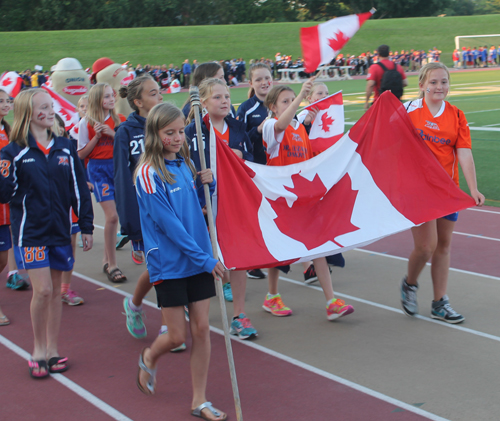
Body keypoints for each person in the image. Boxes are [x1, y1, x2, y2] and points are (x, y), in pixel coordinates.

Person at [134, 102, 227, 421]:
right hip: (172, 263)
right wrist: (204, 259)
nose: (176, 138)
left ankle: (199, 400)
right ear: (154, 134)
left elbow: (198, 209)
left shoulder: (186, 165)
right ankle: (149, 356)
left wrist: (208, 183)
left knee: (202, 329)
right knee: (176, 336)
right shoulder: (147, 173)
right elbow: (168, 224)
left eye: (180, 132)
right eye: (169, 133)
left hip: (199, 257)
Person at [0, 88, 93, 378]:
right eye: (42, 107)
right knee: (42, 290)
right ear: (28, 113)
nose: (49, 111)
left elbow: (79, 189)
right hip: (31, 233)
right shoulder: (12, 152)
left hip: (60, 231)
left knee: (54, 293)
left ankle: (53, 349)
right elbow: (5, 194)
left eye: (50, 106)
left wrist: (87, 225)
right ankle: (38, 349)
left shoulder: (65, 147)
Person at [261, 80, 354, 321]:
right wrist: (302, 96)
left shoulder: (301, 129)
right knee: (280, 252)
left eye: (293, 99)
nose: (292, 103)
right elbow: (281, 124)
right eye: (286, 101)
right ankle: (272, 296)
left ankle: (331, 301)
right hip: (281, 200)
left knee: (319, 246)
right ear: (272, 106)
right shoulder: (271, 127)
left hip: (303, 199)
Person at [401, 62, 484, 324]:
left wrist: (473, 188)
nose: (440, 87)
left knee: (443, 247)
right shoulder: (408, 110)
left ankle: (440, 302)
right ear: (422, 85)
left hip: (446, 191)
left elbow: (464, 152)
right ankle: (410, 284)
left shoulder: (457, 115)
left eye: (444, 82)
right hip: (417, 190)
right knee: (425, 247)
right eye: (434, 82)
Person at [114, 76, 186, 352]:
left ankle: (137, 304)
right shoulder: (126, 132)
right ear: (138, 101)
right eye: (153, 93)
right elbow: (123, 178)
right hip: (146, 211)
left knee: (166, 262)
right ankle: (167, 320)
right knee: (162, 264)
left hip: (173, 205)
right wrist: (129, 222)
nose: (160, 96)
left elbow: (182, 162)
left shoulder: (169, 127)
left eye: (160, 92)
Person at [185, 78, 257, 340]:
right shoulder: (192, 132)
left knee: (238, 259)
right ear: (203, 103)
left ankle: (239, 315)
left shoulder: (237, 129)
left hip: (233, 203)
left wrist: (241, 159)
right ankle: (192, 306)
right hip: (203, 207)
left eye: (227, 97)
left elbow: (251, 166)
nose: (224, 101)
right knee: (204, 259)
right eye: (217, 97)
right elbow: (183, 168)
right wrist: (199, 187)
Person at [78, 83, 127, 283]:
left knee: (119, 216)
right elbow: (80, 154)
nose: (111, 99)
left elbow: (126, 146)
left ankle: (107, 259)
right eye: (106, 96)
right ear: (98, 99)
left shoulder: (120, 120)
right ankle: (112, 264)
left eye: (112, 95)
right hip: (98, 170)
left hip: (118, 168)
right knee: (112, 216)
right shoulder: (86, 123)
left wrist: (112, 133)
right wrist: (97, 137)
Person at [236, 62, 272, 280]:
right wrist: (258, 130)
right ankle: (252, 260)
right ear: (251, 83)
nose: (264, 82)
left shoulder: (280, 103)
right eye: (258, 79)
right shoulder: (246, 108)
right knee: (256, 215)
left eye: (267, 78)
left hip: (279, 168)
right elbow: (240, 141)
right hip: (256, 170)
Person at [50, 114, 85, 306]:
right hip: (49, 211)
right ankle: (49, 286)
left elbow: (76, 175)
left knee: (70, 246)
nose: (60, 131)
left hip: (68, 207)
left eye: (61, 128)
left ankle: (64, 288)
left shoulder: (67, 148)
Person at [365, 44, 408, 110]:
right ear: (388, 53)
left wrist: (366, 101)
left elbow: (370, 85)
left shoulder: (374, 67)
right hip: (396, 103)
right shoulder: (397, 67)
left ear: (378, 54)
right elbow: (405, 83)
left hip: (380, 102)